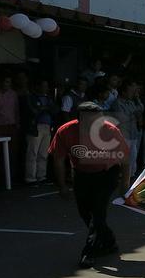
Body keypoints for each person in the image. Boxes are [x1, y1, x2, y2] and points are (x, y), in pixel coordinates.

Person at [49, 102, 130, 268]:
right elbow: (58, 160)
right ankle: (109, 241)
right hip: (81, 174)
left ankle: (89, 253)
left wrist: (124, 184)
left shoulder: (110, 130)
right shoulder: (65, 131)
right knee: (85, 212)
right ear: (81, 120)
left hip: (107, 174)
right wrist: (62, 185)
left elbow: (125, 159)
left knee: (97, 213)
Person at [23, 79, 55, 184]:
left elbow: (55, 110)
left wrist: (43, 108)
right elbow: (33, 111)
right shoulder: (31, 97)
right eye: (44, 85)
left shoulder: (48, 98)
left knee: (43, 153)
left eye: (46, 86)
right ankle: (30, 178)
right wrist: (45, 108)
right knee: (33, 152)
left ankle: (41, 176)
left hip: (47, 126)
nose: (46, 88)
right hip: (35, 126)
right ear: (37, 86)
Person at [112, 81, 143, 179]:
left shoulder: (131, 102)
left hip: (133, 134)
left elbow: (141, 109)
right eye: (130, 91)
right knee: (123, 159)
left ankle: (131, 177)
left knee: (133, 158)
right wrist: (134, 114)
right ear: (124, 92)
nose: (132, 93)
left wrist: (137, 98)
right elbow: (121, 118)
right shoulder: (117, 103)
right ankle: (121, 178)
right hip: (123, 135)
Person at [0, 75, 19, 181]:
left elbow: (16, 110)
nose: (6, 84)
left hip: (11, 126)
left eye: (8, 82)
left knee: (11, 152)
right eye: (5, 81)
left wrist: (18, 123)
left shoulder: (13, 94)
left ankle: (10, 176)